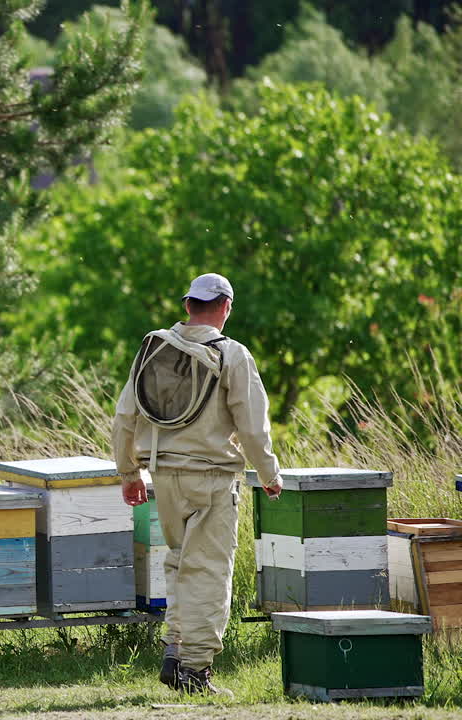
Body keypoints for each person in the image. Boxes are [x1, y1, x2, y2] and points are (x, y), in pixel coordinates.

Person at [111, 273, 284, 695]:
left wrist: (129, 473)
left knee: (179, 564)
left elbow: (124, 418)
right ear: (226, 307)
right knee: (207, 572)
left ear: (188, 306)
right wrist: (269, 475)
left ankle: (175, 651)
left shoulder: (155, 347)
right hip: (212, 479)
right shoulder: (234, 355)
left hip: (164, 477)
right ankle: (195, 670)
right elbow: (253, 427)